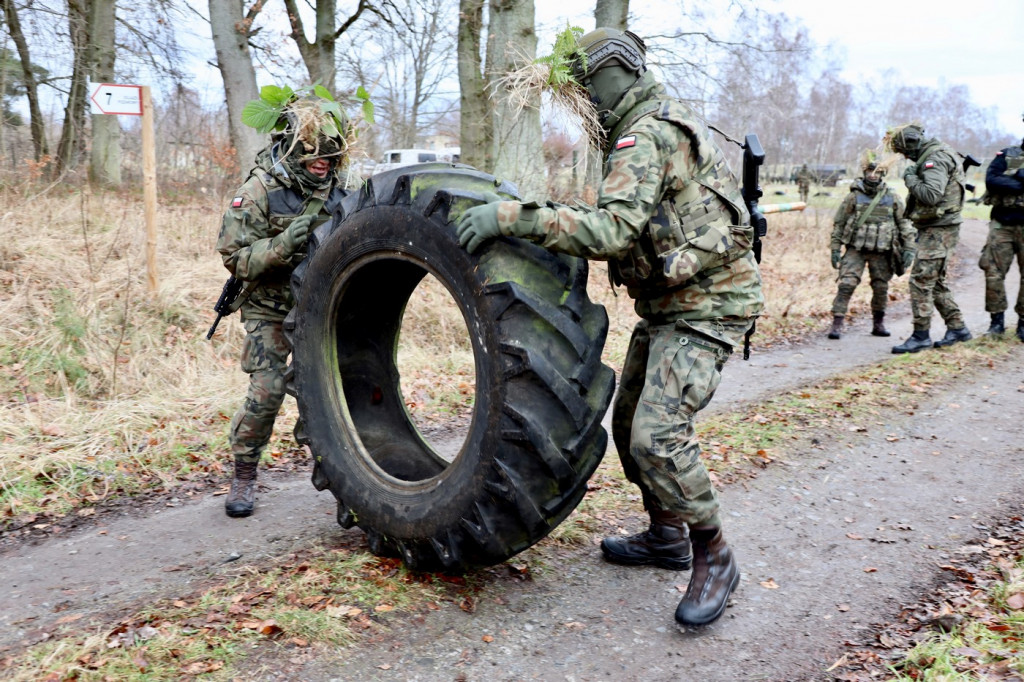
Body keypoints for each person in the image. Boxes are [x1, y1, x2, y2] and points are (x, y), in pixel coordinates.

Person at [456, 28, 763, 627]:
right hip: (673, 306)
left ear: (612, 74)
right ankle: (666, 538)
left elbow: (612, 232)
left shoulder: (645, 135)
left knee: (657, 435)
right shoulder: (653, 124)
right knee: (627, 425)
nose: (586, 101)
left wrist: (511, 218)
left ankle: (715, 553)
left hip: (710, 306)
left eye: (587, 86)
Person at [216, 105, 349, 517]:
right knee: (268, 390)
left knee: (346, 390)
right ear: (292, 150)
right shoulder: (260, 189)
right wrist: (283, 244)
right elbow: (234, 257)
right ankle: (244, 474)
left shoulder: (343, 188)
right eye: (313, 156)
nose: (322, 164)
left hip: (321, 307)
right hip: (269, 307)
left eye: (330, 156)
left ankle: (356, 476)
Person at [886, 123, 971, 353]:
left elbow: (931, 195)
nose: (905, 157)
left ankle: (921, 335)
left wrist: (910, 178)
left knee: (921, 281)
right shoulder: (938, 152)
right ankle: (958, 328)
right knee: (935, 282)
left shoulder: (935, 159)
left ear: (913, 144)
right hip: (938, 227)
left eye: (905, 151)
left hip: (939, 229)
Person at [826, 154, 916, 339]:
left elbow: (904, 224)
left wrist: (909, 248)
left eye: (877, 172)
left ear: (882, 174)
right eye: (870, 171)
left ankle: (878, 324)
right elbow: (839, 224)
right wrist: (835, 249)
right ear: (864, 172)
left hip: (882, 251)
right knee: (846, 284)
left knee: (881, 287)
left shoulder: (892, 197)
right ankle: (837, 324)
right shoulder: (853, 196)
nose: (873, 175)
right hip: (856, 249)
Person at [979, 113, 1024, 341]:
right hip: (1002, 224)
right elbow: (991, 179)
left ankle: (1023, 324)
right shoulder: (1008, 154)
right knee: (993, 272)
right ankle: (996, 323)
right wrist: (1019, 182)